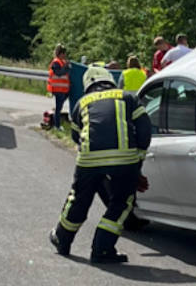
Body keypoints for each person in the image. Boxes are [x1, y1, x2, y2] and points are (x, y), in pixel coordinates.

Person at [49, 65, 152, 263]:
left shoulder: (82, 102)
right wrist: (137, 161)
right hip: (125, 159)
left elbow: (76, 135)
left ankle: (62, 239)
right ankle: (102, 249)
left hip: (89, 159)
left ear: (88, 85)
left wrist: (93, 157)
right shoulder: (128, 98)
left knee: (79, 198)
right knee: (121, 202)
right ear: (109, 80)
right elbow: (144, 128)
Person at [47, 44, 71, 130]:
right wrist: (66, 67)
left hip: (63, 89)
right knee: (58, 108)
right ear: (60, 54)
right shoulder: (56, 63)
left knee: (59, 107)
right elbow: (59, 73)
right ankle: (56, 126)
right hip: (57, 89)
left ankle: (56, 123)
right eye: (64, 54)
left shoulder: (62, 62)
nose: (65, 56)